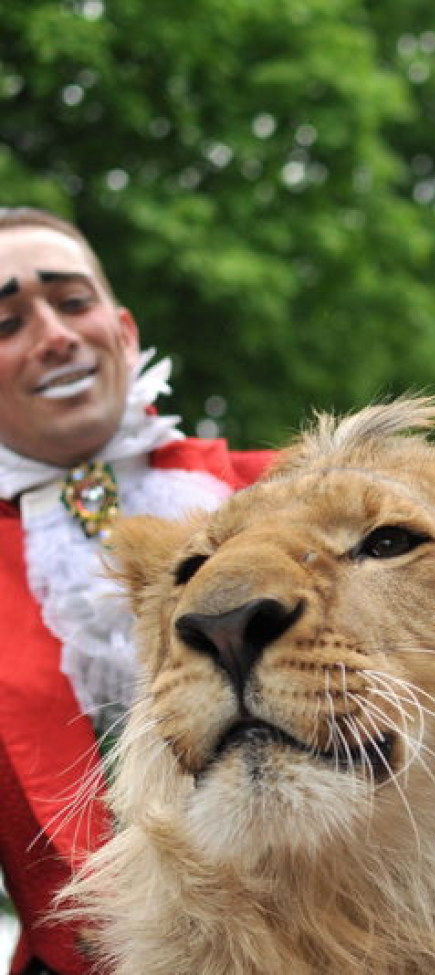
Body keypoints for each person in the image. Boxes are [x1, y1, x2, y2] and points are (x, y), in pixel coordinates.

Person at [0, 207, 275, 975]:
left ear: (122, 330)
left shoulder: (294, 489)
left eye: (72, 300)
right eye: (6, 321)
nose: (54, 333)